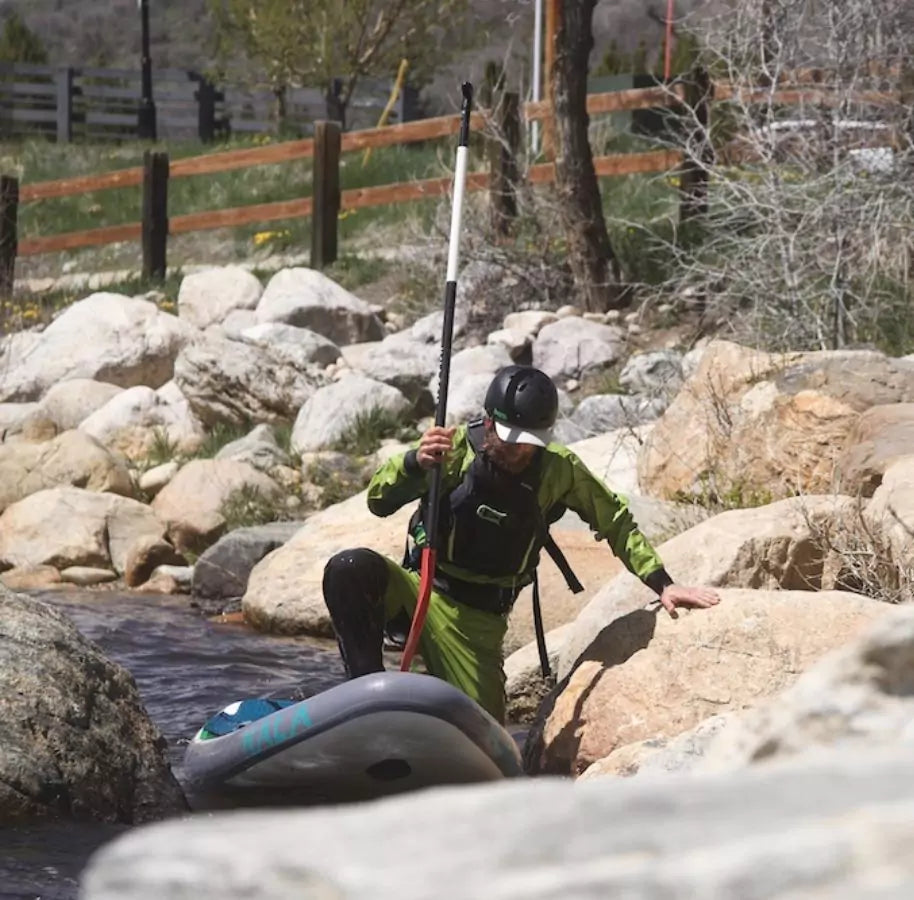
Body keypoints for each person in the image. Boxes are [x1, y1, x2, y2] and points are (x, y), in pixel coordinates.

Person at [322, 364, 720, 723]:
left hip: (477, 623)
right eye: (511, 439)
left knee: (481, 735)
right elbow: (378, 500)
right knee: (350, 570)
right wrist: (415, 464)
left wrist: (663, 583)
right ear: (489, 423)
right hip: (421, 589)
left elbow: (614, 520)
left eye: (530, 441)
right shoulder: (454, 447)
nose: (520, 451)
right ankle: (364, 707)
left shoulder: (558, 469)